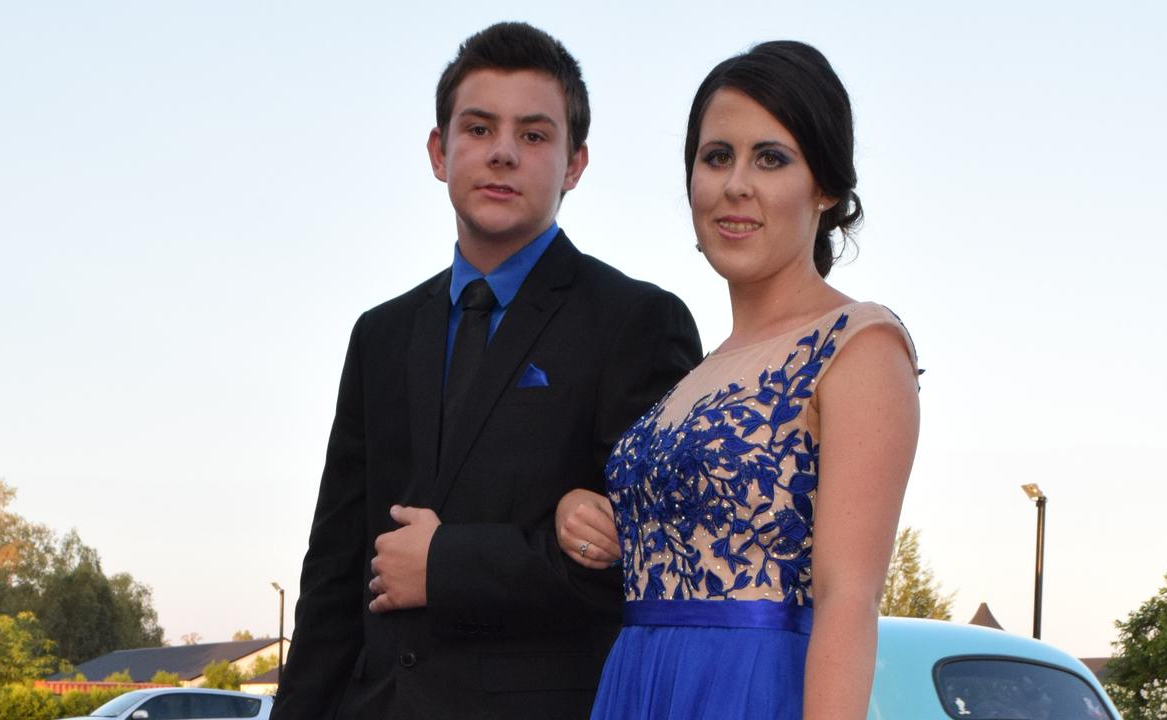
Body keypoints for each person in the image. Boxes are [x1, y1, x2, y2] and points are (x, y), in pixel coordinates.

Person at [272, 22, 702, 720]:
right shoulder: (379, 335)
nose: (503, 152)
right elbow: (333, 575)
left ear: (575, 164)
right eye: (478, 128)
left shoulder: (637, 322)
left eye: (534, 135)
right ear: (440, 152)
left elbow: (647, 564)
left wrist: (447, 565)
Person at [556, 41, 921, 719]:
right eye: (716, 156)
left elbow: (849, 598)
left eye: (771, 158)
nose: (735, 184)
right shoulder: (695, 373)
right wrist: (577, 512)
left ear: (826, 186)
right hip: (637, 687)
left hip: (751, 693)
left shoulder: (858, 344)